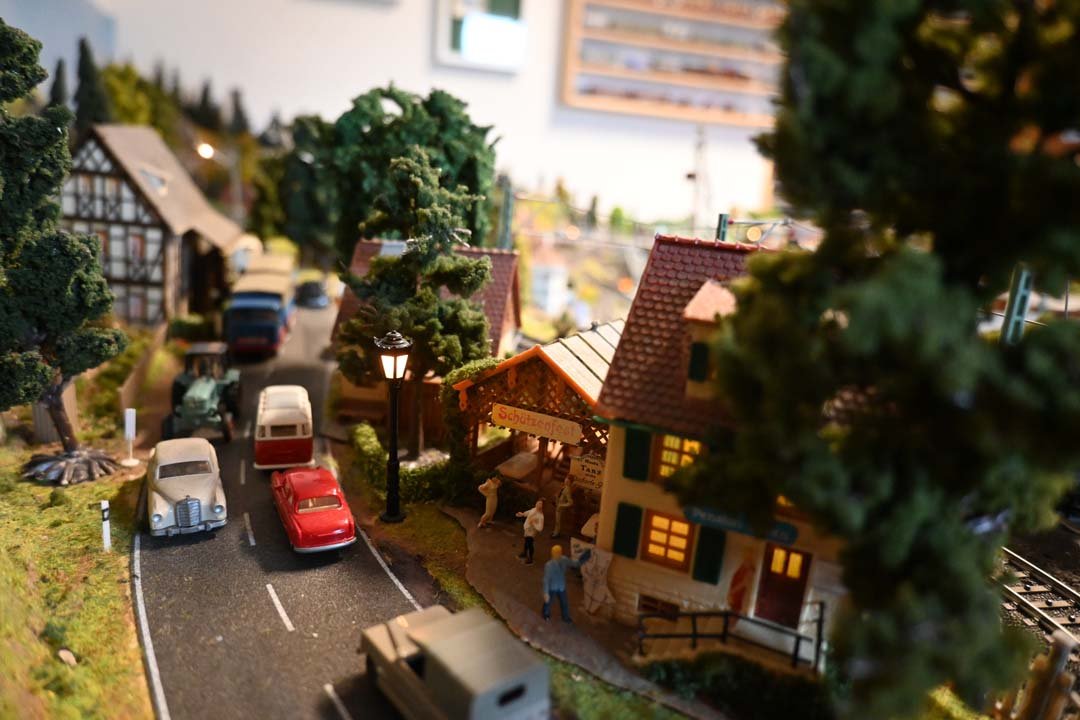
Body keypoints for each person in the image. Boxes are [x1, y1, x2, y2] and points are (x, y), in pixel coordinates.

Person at [542, 545, 592, 623]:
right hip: (552, 587)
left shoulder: (564, 559)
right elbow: (546, 579)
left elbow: (576, 564)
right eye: (556, 552)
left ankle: (566, 617)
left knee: (564, 603)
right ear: (552, 553)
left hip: (561, 586)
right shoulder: (549, 565)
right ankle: (545, 613)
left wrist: (585, 556)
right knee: (548, 602)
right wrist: (545, 592)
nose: (557, 554)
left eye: (559, 552)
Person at [516, 499, 544, 564]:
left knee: (530, 544)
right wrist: (522, 514)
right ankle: (524, 553)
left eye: (540, 504)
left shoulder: (541, 516)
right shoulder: (533, 509)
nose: (538, 504)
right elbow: (528, 513)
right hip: (527, 529)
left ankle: (530, 558)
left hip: (532, 532)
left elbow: (540, 528)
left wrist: (533, 523)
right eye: (537, 503)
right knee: (526, 542)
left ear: (542, 506)